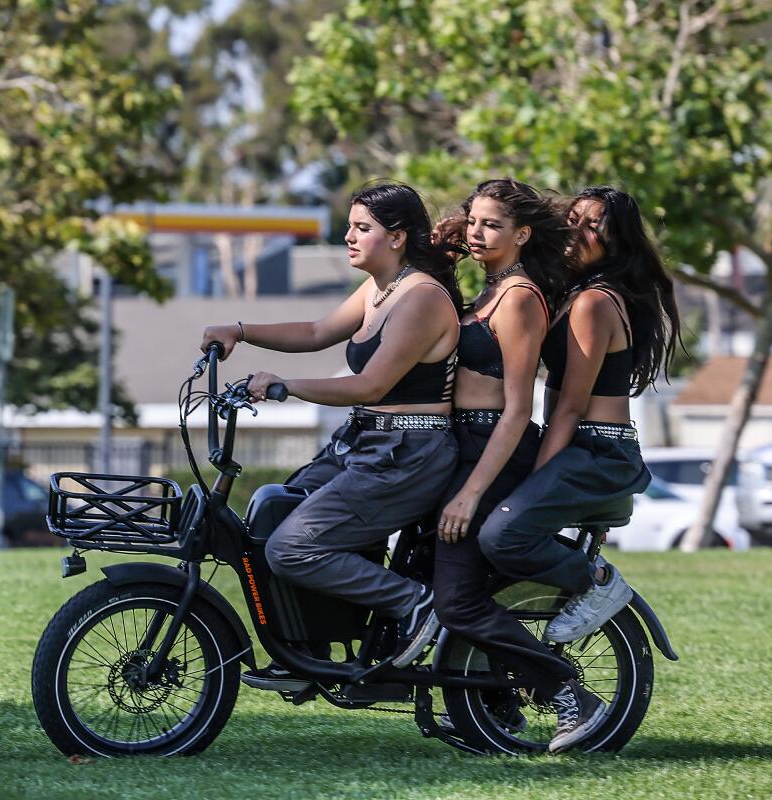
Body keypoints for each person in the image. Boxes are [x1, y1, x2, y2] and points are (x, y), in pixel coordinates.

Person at [200, 182, 464, 690]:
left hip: (409, 454)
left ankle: (415, 603)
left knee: (292, 548)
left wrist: (283, 385)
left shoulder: (422, 297)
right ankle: (305, 652)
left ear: (398, 237)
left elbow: (371, 384)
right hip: (366, 442)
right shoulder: (379, 289)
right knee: (269, 512)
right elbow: (317, 332)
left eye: (362, 228)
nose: (348, 236)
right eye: (350, 226)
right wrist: (240, 329)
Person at [473, 185, 681, 752]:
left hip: (599, 450)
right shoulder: (572, 294)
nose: (580, 232)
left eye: (596, 228)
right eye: (576, 220)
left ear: (613, 245)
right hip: (580, 445)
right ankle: (491, 689)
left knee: (502, 533)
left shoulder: (594, 303)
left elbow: (567, 403)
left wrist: (538, 472)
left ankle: (598, 581)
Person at [428, 178, 584, 738]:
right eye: (473, 220)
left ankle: (564, 688)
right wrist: (445, 240)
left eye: (492, 224)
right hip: (461, 447)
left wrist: (471, 494)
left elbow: (518, 410)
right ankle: (493, 706)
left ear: (522, 234)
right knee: (437, 580)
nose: (477, 232)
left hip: (494, 449)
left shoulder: (519, 299)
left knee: (457, 601)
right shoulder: (488, 291)